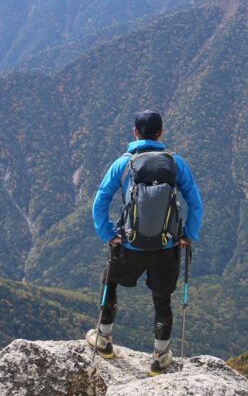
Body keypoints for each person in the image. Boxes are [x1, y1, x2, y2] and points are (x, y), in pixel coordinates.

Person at [87, 110, 204, 375]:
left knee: (110, 282)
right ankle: (161, 356)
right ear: (161, 133)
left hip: (129, 246)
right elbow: (195, 203)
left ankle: (104, 339)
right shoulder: (176, 164)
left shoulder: (123, 164)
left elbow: (100, 202)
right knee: (162, 300)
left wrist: (108, 234)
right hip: (166, 248)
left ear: (135, 133)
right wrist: (188, 235)